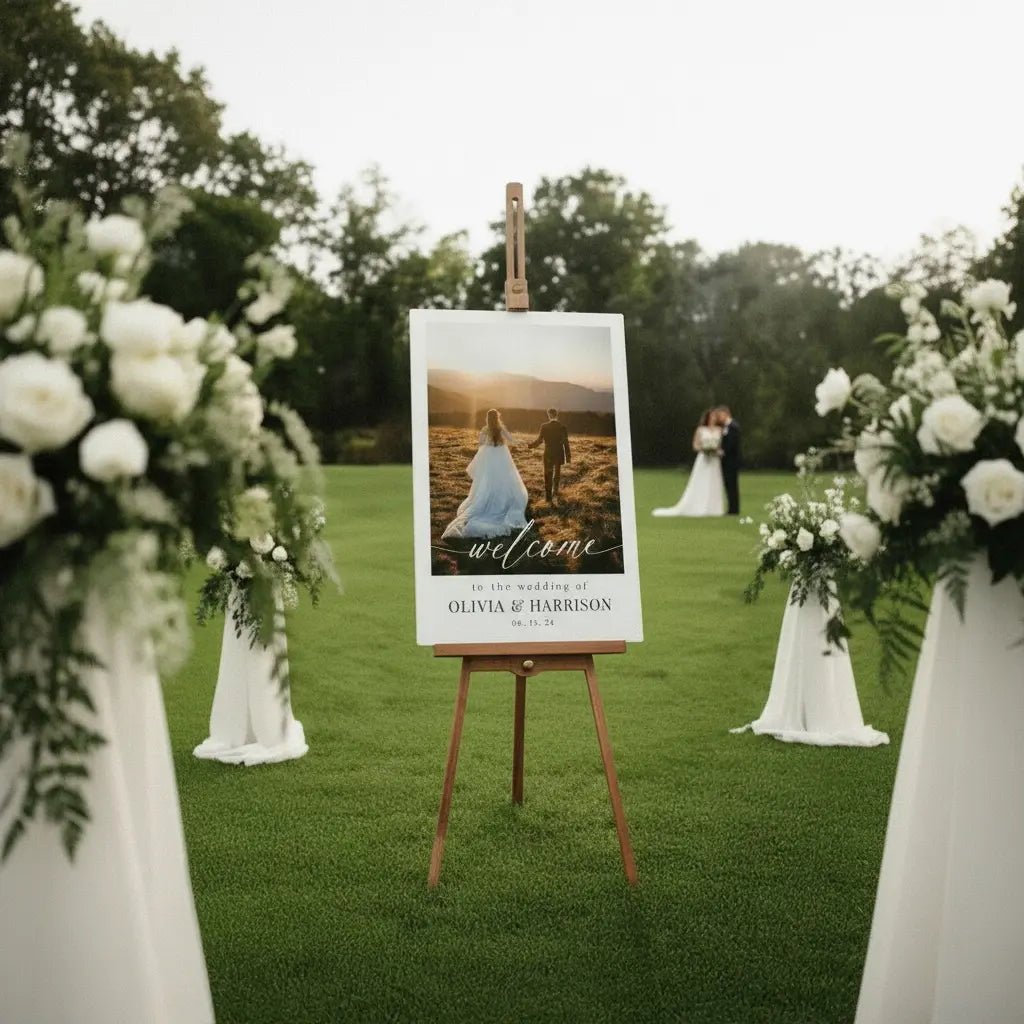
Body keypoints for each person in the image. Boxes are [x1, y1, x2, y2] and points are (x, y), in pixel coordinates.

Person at [441, 409, 529, 539]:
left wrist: (486, 451)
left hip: (489, 456)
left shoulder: (484, 430)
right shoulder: (500, 428)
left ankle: (490, 495)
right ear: (497, 417)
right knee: (504, 477)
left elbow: (480, 444)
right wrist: (522, 442)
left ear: (487, 418)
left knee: (488, 479)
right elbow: (511, 440)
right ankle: (502, 497)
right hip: (501, 454)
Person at [652, 409, 725, 517]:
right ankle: (699, 506)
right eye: (711, 416)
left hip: (714, 460)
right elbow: (695, 445)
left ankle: (713, 508)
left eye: (715, 417)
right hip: (704, 459)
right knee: (701, 481)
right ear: (708, 418)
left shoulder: (719, 430)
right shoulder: (701, 429)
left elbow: (720, 445)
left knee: (713, 482)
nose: (713, 419)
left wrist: (716, 450)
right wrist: (704, 449)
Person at [528, 407, 571, 503]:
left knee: (547, 474)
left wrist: (530, 446)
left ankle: (548, 498)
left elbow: (539, 441)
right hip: (559, 453)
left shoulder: (544, 426)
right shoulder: (562, 427)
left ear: (549, 415)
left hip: (548, 453)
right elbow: (566, 443)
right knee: (557, 474)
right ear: (557, 415)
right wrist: (568, 457)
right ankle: (555, 492)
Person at [716, 405, 741, 515]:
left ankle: (734, 509)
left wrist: (723, 451)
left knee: (732, 485)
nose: (719, 418)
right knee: (728, 485)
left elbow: (732, 444)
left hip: (731, 461)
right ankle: (732, 508)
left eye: (720, 415)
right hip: (727, 462)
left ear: (726, 413)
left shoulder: (733, 426)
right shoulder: (725, 427)